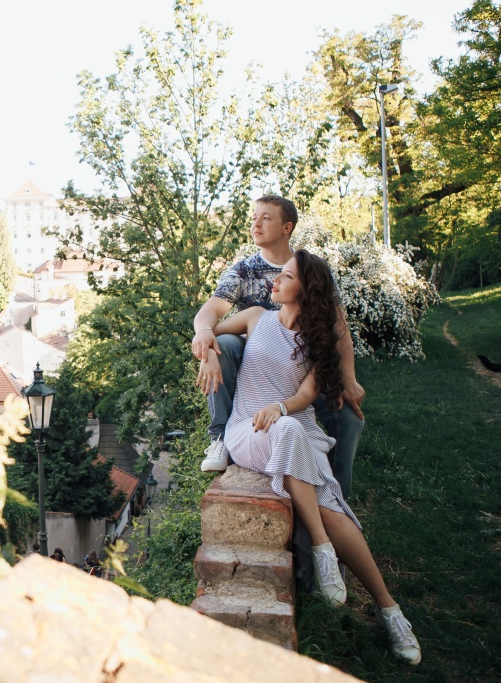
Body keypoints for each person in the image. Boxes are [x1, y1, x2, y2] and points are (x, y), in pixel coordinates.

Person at [199, 249, 420, 665]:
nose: (275, 281)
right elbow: (209, 330)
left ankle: (390, 610)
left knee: (331, 504)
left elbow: (304, 396)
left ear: (306, 290)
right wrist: (208, 350)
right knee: (294, 442)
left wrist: (281, 407)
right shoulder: (255, 317)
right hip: (248, 429)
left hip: (294, 425)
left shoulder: (318, 342)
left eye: (286, 276)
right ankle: (321, 549)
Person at [192, 195, 364, 498]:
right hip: (259, 368)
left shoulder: (309, 268)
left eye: (266, 218)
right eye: (253, 218)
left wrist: (348, 379)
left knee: (349, 418)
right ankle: (220, 437)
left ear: (287, 228)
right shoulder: (244, 270)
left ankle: (334, 497)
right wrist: (205, 340)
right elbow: (209, 312)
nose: (255, 224)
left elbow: (339, 330)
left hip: (305, 367)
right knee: (225, 343)